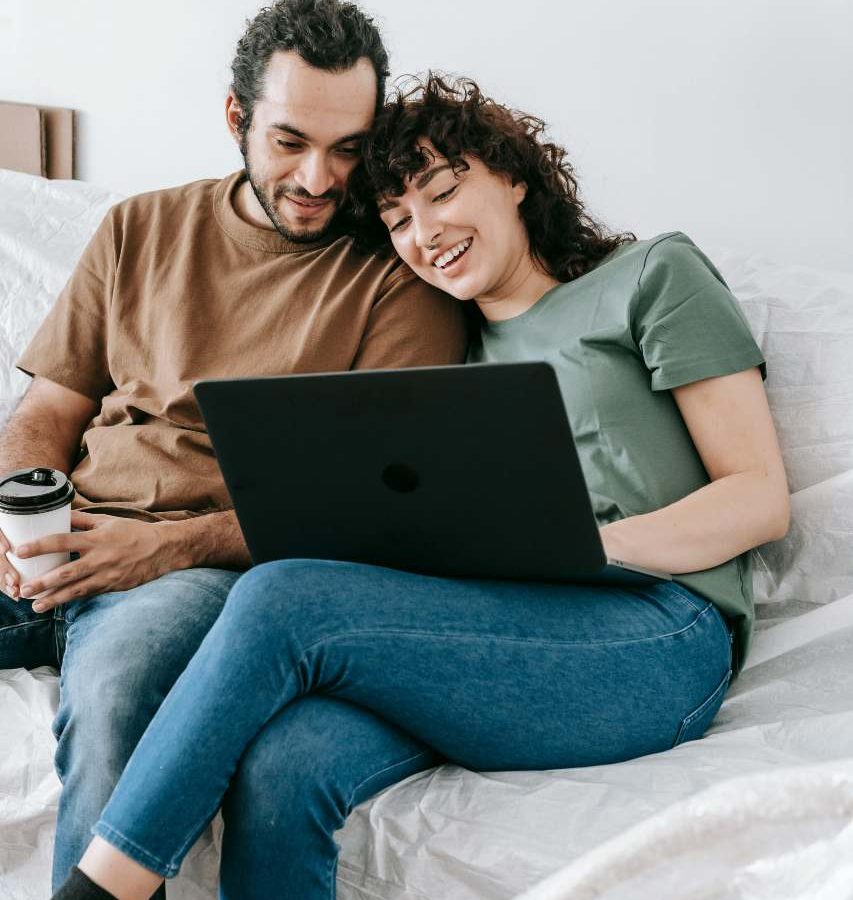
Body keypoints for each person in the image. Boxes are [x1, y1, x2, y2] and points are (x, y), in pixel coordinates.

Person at [50, 75, 790, 900]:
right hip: (492, 630)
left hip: (655, 635)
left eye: (442, 192)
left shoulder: (652, 276)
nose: (425, 232)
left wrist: (584, 545)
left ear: (514, 175)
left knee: (284, 594)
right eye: (399, 220)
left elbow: (758, 496)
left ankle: (97, 890)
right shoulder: (442, 356)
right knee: (282, 761)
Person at [0, 5, 466, 895]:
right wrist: (16, 509)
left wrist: (165, 546)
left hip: (202, 571)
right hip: (63, 536)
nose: (319, 178)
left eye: (347, 149)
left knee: (114, 700)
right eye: (291, 141)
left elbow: (370, 512)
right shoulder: (138, 228)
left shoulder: (398, 278)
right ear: (234, 119)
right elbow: (49, 406)